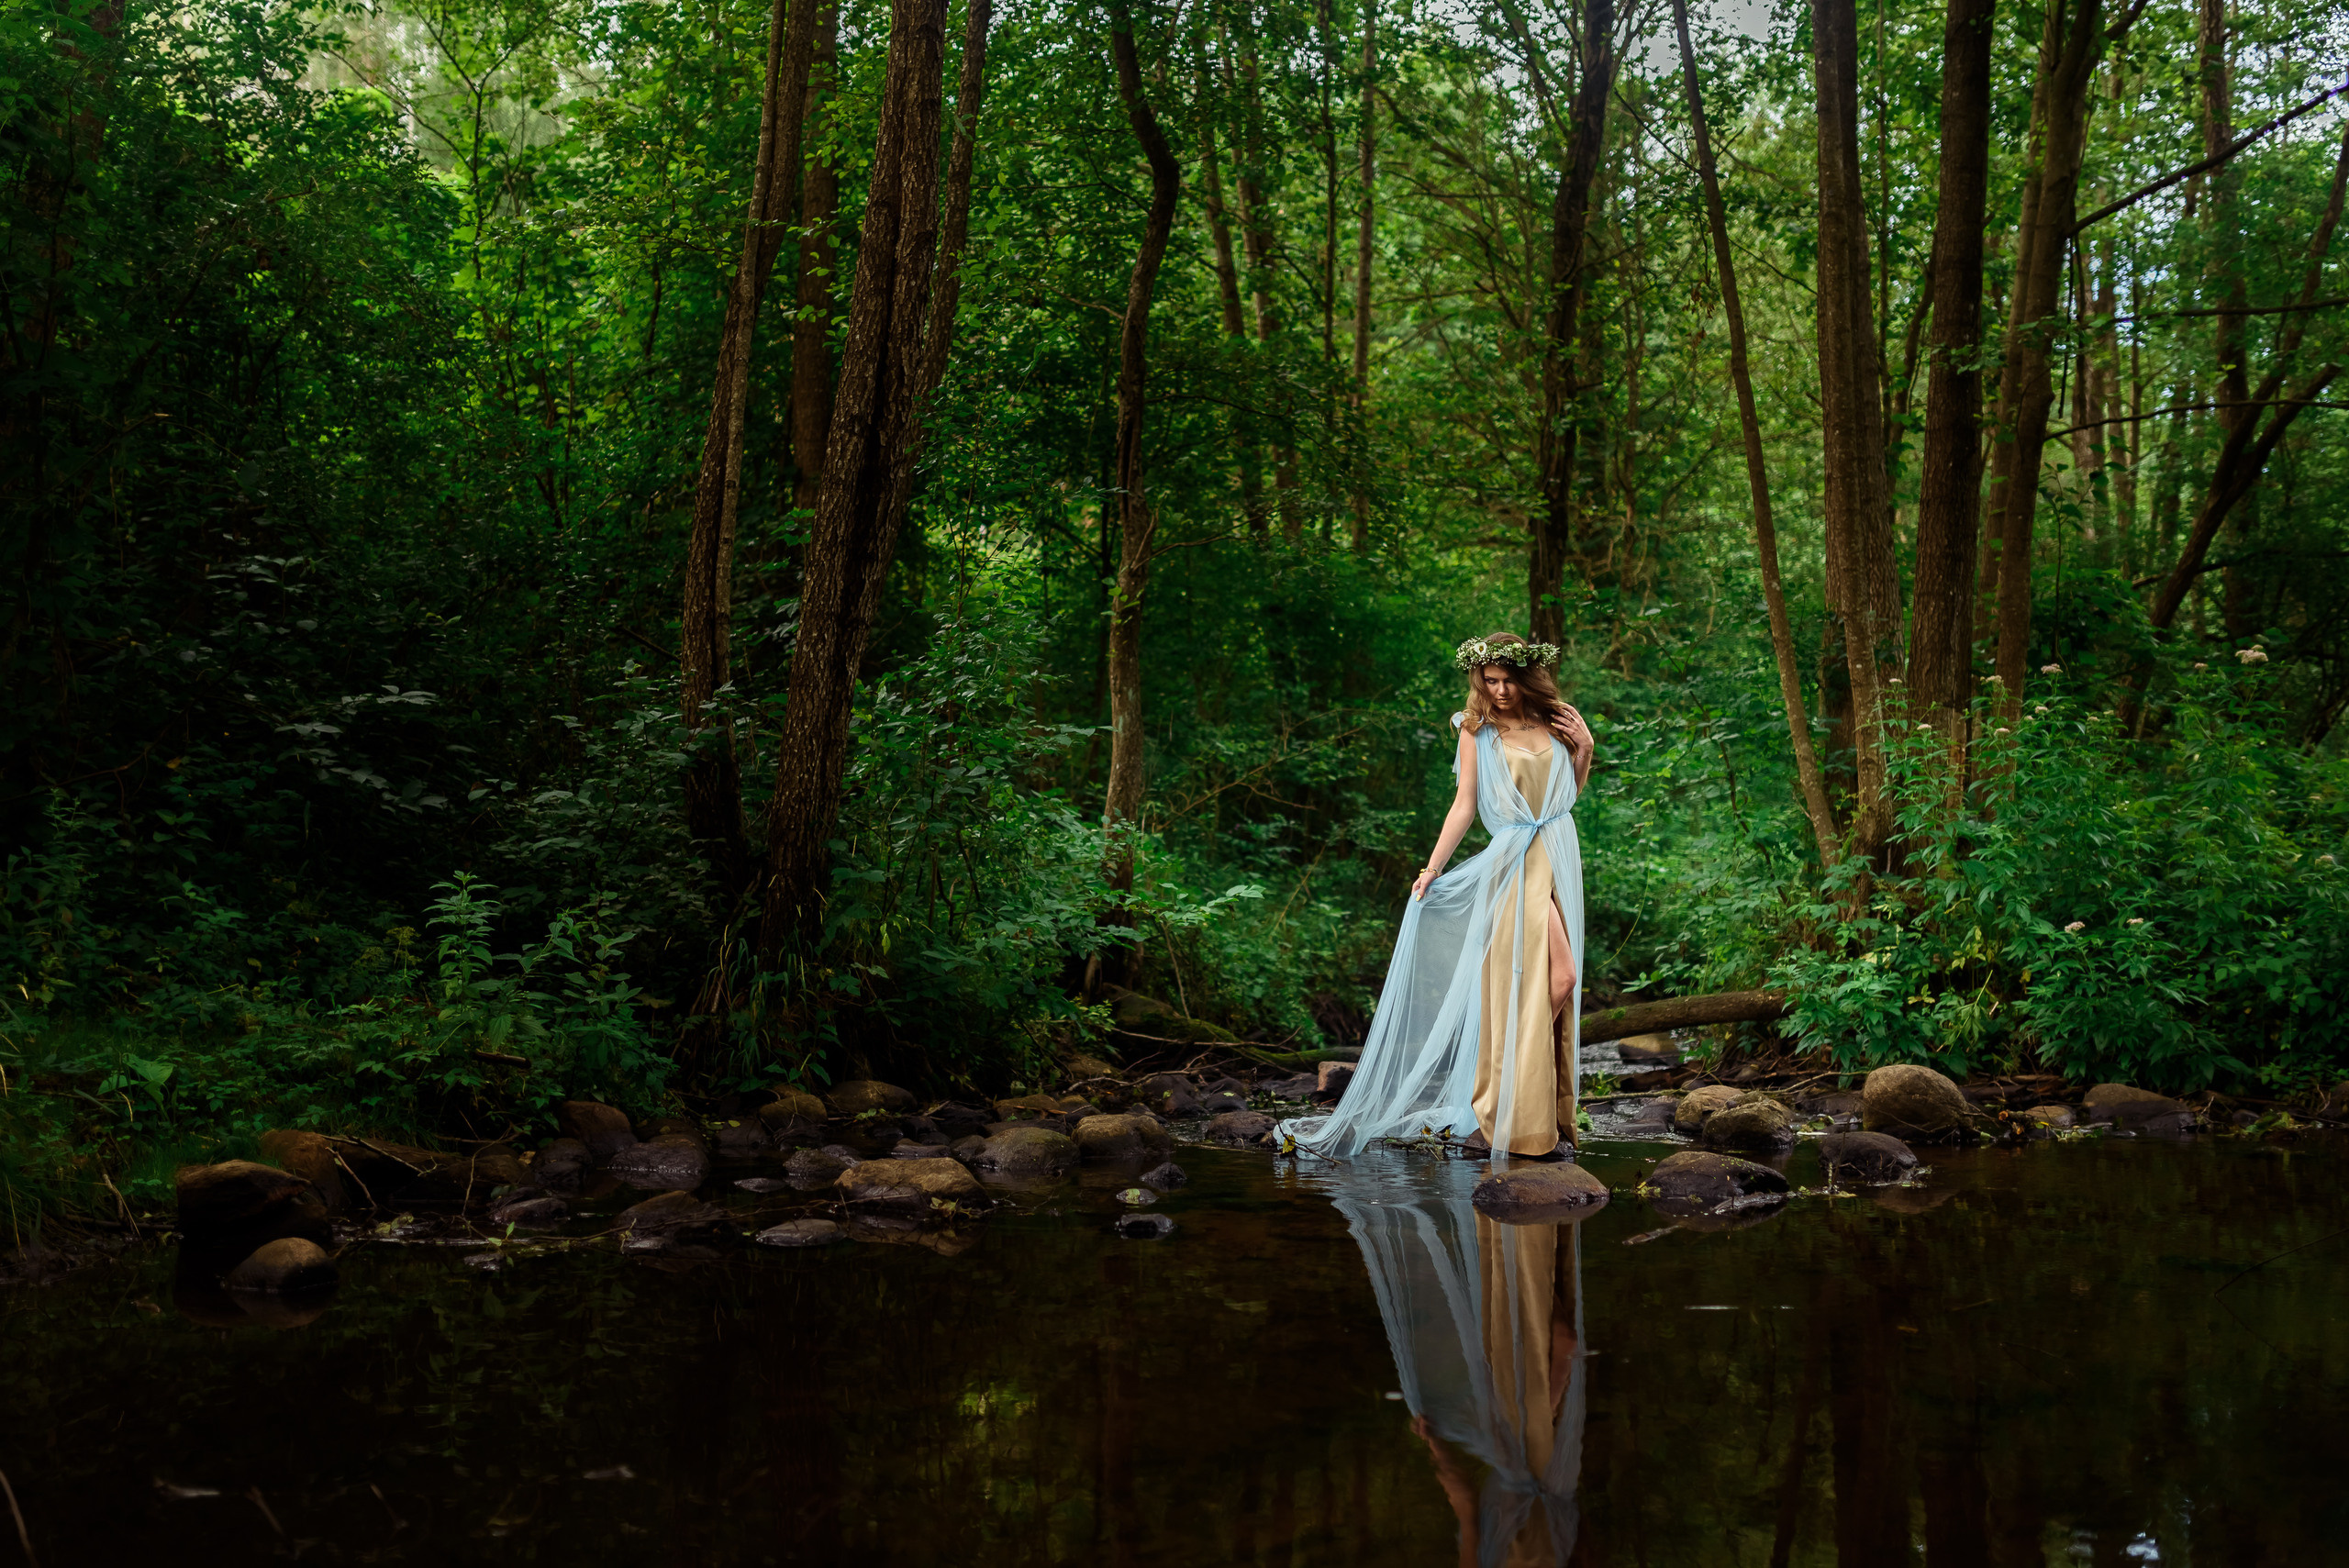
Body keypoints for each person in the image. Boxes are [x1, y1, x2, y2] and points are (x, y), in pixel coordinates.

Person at [1280, 632, 1593, 1160]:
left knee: (1555, 983)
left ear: (1527, 677)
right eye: (1488, 681)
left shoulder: (1559, 721)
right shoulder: (1476, 732)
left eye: (1507, 680)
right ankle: (1500, 1097)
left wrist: (1584, 748)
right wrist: (1432, 867)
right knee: (1560, 977)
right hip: (1514, 865)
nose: (1498, 691)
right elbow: (1464, 805)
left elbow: (1567, 796)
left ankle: (1523, 1102)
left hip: (1558, 854)